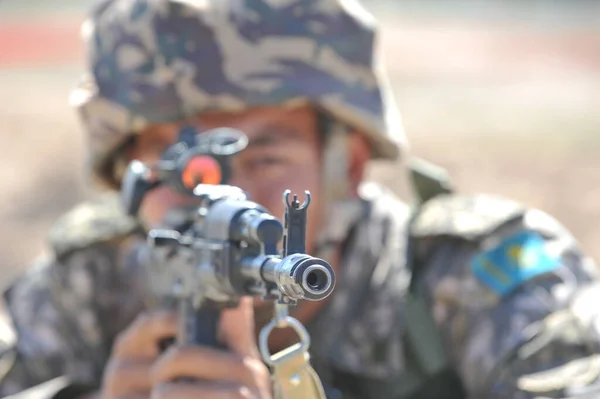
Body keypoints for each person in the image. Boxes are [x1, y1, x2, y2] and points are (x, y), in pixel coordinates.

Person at [2, 0, 600, 398]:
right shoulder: (85, 282)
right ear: (127, 174)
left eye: (265, 159)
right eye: (174, 167)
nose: (222, 198)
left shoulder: (470, 278)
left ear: (351, 165)